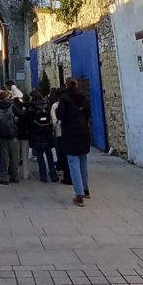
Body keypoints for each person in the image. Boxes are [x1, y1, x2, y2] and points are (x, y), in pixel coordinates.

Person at [56, 77, 92, 206]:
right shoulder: (82, 97)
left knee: (73, 162)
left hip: (70, 132)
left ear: (66, 85)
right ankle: (86, 189)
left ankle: (79, 194)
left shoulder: (64, 98)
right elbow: (88, 112)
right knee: (83, 161)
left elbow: (59, 115)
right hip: (83, 130)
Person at [27, 89, 58, 182]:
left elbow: (29, 122)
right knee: (49, 156)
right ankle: (53, 175)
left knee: (40, 157)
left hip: (36, 135)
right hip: (47, 134)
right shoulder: (47, 105)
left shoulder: (31, 108)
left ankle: (43, 176)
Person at [0, 89, 20, 184]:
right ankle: (15, 176)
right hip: (12, 133)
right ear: (8, 97)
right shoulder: (12, 106)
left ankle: (4, 177)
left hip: (2, 134)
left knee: (4, 156)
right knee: (14, 155)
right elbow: (21, 114)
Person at [50, 87, 72, 185]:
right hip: (68, 132)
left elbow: (54, 120)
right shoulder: (70, 104)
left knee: (60, 150)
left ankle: (61, 167)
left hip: (59, 132)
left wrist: (54, 127)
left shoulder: (55, 106)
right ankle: (65, 168)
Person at [11, 84, 31, 180]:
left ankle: (16, 173)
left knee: (15, 155)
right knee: (25, 155)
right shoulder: (25, 107)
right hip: (25, 133)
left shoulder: (12, 107)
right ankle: (25, 174)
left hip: (15, 133)